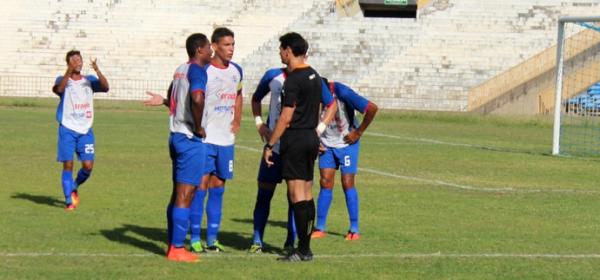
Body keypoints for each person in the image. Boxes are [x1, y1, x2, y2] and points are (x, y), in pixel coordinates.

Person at [262, 32, 337, 262]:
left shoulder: (293, 79)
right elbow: (330, 104)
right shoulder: (314, 75)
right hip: (311, 138)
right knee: (306, 193)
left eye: (281, 49)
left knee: (296, 195)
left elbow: (285, 116)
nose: (279, 53)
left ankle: (302, 249)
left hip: (294, 139)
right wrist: (319, 129)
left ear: (288, 50)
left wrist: (270, 143)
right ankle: (305, 249)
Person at [188, 27, 243, 253]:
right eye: (227, 45)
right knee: (200, 186)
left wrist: (238, 119)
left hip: (226, 141)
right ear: (215, 46)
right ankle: (194, 238)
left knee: (218, 187)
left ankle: (212, 239)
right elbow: (192, 98)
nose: (231, 49)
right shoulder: (203, 70)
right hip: (205, 139)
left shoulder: (237, 70)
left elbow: (239, 95)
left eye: (232, 44)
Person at [162, 33, 212, 262]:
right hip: (189, 138)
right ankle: (177, 248)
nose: (211, 52)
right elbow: (197, 98)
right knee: (186, 194)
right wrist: (199, 126)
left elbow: (173, 95)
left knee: (177, 193)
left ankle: (173, 243)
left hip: (176, 135)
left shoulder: (180, 69)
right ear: (200, 50)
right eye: (209, 48)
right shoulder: (197, 70)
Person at [311, 78, 378, 241]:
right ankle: (320, 227)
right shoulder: (311, 95)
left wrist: (358, 132)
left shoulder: (342, 92)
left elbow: (372, 108)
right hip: (326, 143)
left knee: (347, 182)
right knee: (325, 182)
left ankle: (354, 229)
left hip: (347, 143)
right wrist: (315, 140)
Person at [53, 50, 109, 211]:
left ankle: (74, 185)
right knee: (68, 164)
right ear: (68, 63)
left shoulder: (89, 80)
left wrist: (97, 70)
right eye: (74, 59)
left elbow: (106, 87)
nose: (78, 61)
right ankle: (68, 200)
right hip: (68, 129)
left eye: (79, 59)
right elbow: (59, 90)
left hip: (85, 129)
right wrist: (68, 71)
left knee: (88, 166)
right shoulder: (62, 79)